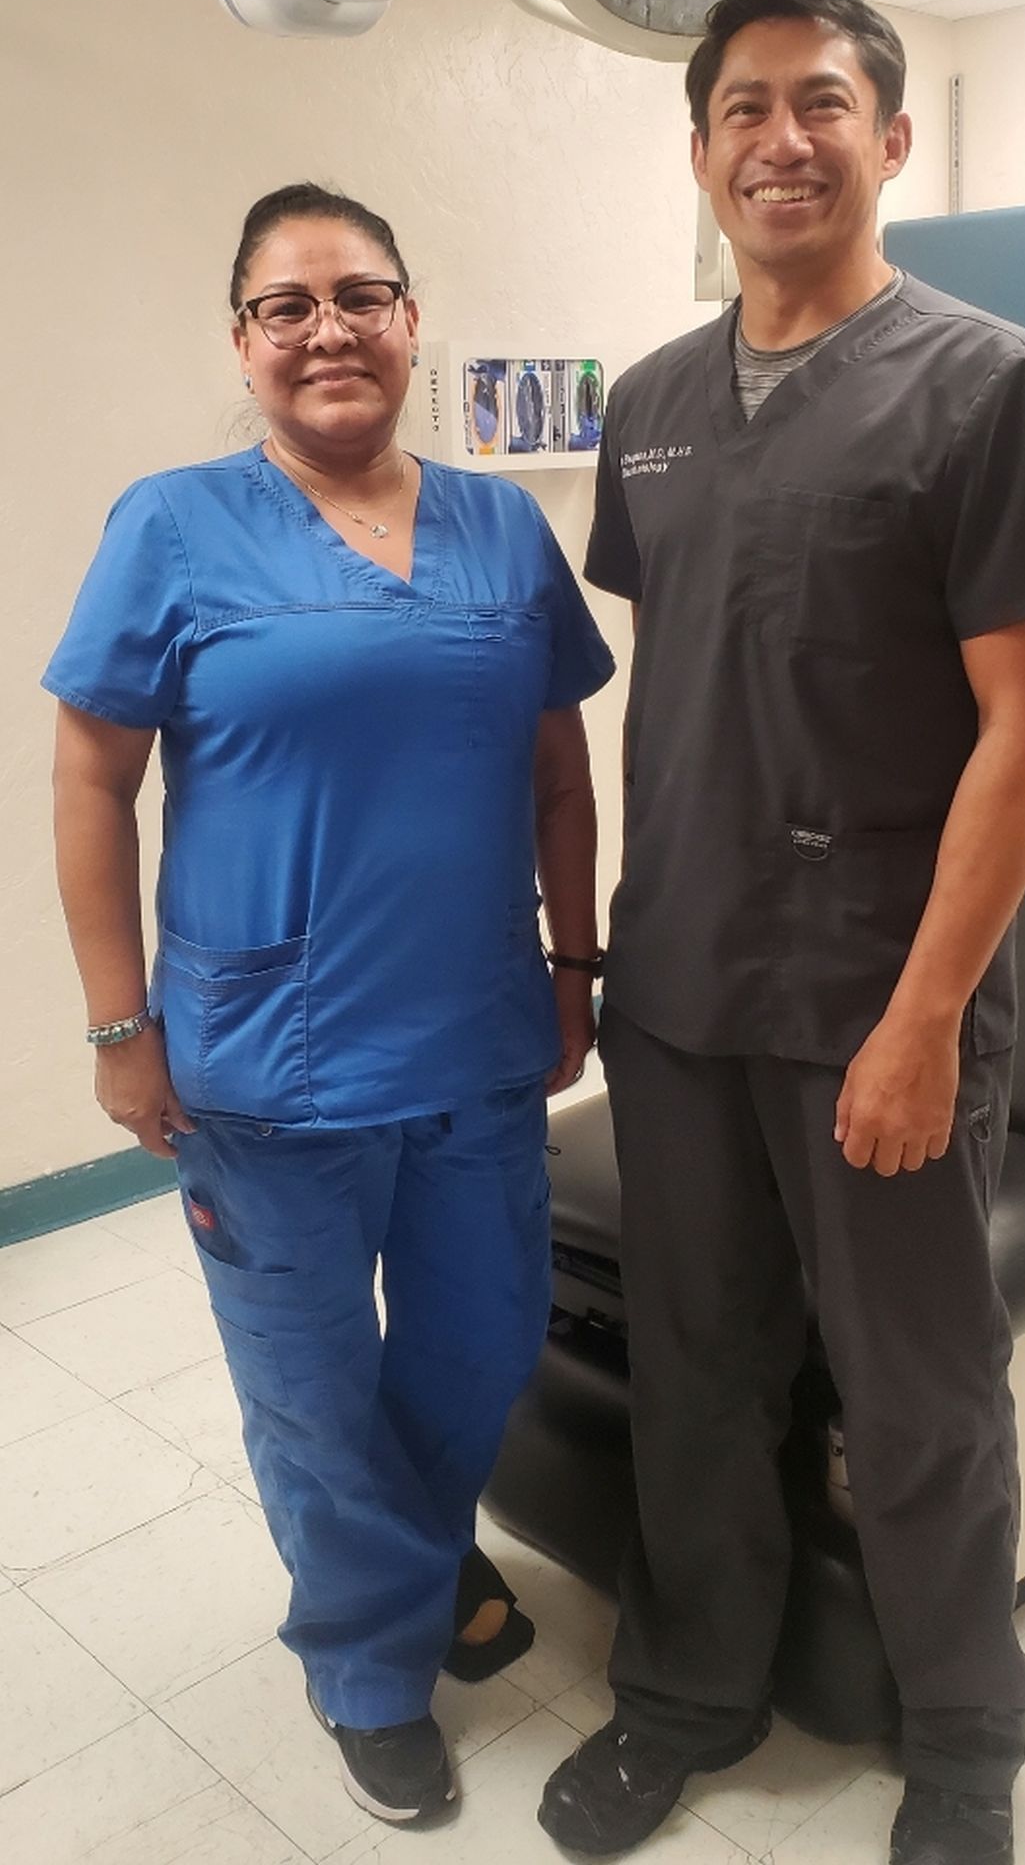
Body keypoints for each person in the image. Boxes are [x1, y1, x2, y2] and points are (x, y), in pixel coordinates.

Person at [538, 0, 1025, 1865]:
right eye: (745, 109)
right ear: (698, 153)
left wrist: (930, 1017)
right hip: (683, 986)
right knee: (700, 1369)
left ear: (892, 139)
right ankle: (691, 1693)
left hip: (885, 992)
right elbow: (688, 679)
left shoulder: (991, 385)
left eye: (826, 103)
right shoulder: (653, 410)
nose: (784, 137)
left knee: (921, 1394)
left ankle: (963, 1744)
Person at [46, 181, 614, 1829]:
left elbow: (560, 774)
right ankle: (370, 1664)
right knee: (310, 1391)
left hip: (477, 1044)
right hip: (263, 1066)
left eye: (360, 296)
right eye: (286, 306)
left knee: (481, 1340)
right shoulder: (173, 522)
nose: (327, 330)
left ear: (411, 322)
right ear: (244, 341)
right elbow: (91, 781)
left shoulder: (505, 528)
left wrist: (573, 964)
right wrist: (115, 1024)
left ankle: (420, 1568)